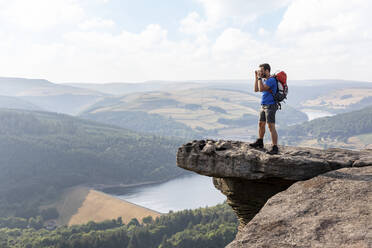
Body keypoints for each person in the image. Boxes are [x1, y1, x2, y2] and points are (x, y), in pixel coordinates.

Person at [249, 63, 279, 155]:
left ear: (267, 70)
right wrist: (256, 78)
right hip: (263, 105)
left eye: (262, 71)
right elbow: (256, 89)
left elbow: (261, 89)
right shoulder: (265, 80)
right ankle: (260, 141)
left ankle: (275, 147)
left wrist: (259, 78)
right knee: (261, 124)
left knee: (271, 126)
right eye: (260, 71)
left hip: (270, 105)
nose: (260, 72)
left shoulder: (271, 80)